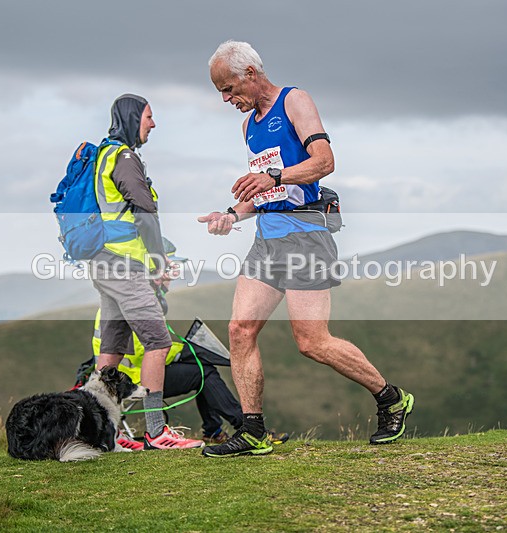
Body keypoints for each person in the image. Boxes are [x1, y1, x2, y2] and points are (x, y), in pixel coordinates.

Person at [198, 41, 414, 457]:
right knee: (240, 330)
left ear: (250, 73)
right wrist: (230, 213)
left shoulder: (294, 100)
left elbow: (324, 161)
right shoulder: (248, 126)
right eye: (221, 93)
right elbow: (261, 190)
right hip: (267, 237)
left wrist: (275, 176)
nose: (226, 99)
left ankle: (391, 398)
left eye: (228, 88)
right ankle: (254, 430)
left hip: (306, 237)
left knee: (312, 341)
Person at [89, 94, 203, 450]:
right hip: (124, 264)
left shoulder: (103, 154)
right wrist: (157, 260)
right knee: (158, 340)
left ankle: (108, 433)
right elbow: (144, 212)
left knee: (112, 349)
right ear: (133, 117)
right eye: (149, 117)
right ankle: (156, 432)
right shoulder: (124, 157)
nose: (153, 124)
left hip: (103, 261)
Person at [87, 308, 245, 447]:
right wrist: (187, 351)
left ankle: (214, 430)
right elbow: (148, 351)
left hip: (120, 379)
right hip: (134, 380)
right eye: (167, 272)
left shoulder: (114, 304)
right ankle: (242, 424)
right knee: (203, 372)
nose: (170, 277)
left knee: (203, 370)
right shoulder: (134, 304)